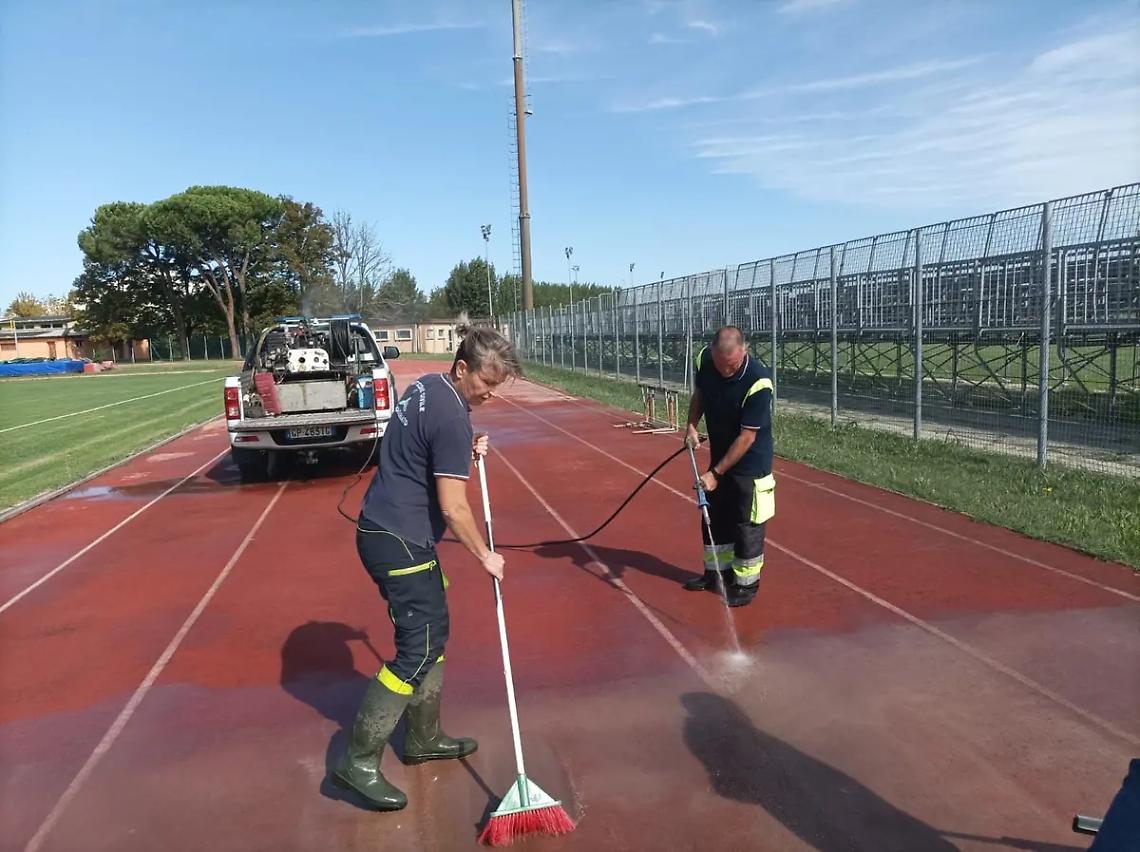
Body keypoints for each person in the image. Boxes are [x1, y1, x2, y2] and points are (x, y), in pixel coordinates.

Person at [332, 319, 522, 811]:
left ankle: (422, 738)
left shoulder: (429, 389)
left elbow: (424, 442)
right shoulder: (453, 417)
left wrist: (465, 444)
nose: (489, 395)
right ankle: (357, 762)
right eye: (485, 384)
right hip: (399, 539)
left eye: (496, 388)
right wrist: (486, 555)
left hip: (390, 530)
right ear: (463, 369)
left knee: (434, 632)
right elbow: (455, 507)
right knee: (416, 650)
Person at [682, 326, 775, 608]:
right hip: (719, 455)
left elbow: (747, 436)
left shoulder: (759, 382)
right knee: (715, 516)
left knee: (746, 523)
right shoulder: (705, 361)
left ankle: (746, 585)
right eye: (721, 365)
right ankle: (715, 574)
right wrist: (691, 426)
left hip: (750, 463)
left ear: (744, 351)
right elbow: (701, 392)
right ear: (712, 353)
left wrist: (715, 474)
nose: (726, 372)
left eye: (732, 366)